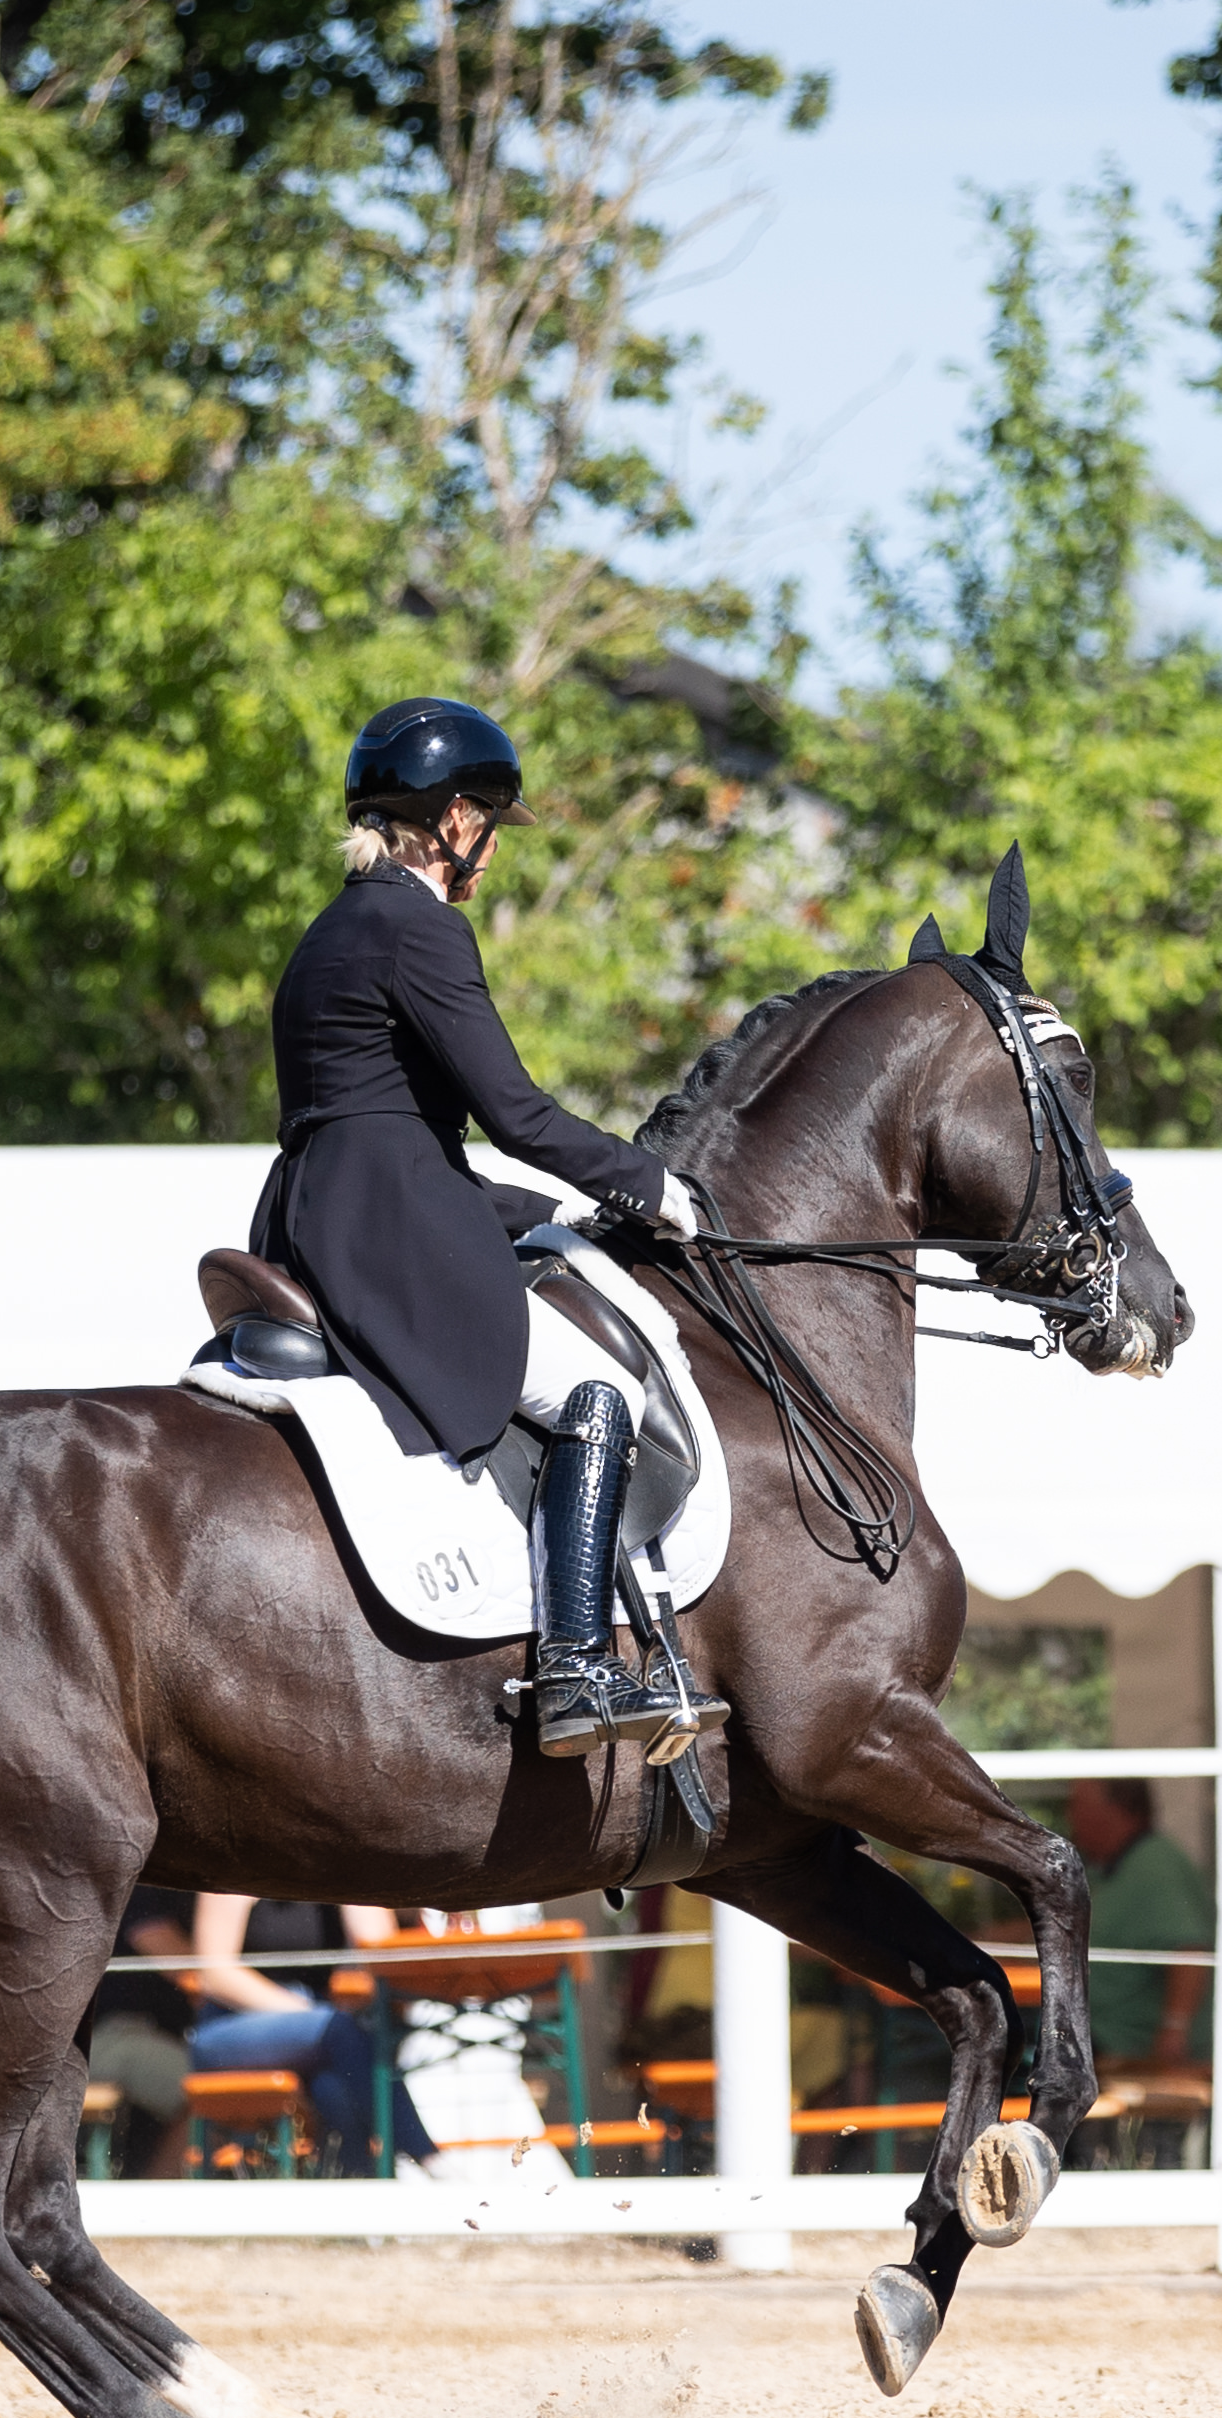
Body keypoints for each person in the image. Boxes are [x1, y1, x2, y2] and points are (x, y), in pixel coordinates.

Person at [249, 697, 714, 1759]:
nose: (493, 849)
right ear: (454, 819)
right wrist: (650, 1185)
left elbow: (385, 1130)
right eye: (491, 823)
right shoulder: (421, 926)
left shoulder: (326, 933)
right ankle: (575, 1665)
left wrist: (555, 1212)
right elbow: (517, 1114)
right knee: (598, 1393)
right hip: (393, 1234)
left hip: (317, 1215)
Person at [178, 1893, 439, 2178]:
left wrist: (353, 1885)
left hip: (319, 2031)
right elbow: (214, 1975)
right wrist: (303, 2012)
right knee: (342, 2031)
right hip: (228, 2031)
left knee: (332, 2088)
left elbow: (381, 1957)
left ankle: (350, 2188)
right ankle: (426, 2156)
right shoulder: (237, 1875)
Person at [1064, 1776, 1213, 2071]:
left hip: (1127, 2052)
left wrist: (1174, 2033)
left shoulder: (1157, 1867)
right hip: (1095, 2042)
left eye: (1077, 1805)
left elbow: (1190, 1950)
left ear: (1115, 1809)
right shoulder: (1109, 1869)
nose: (1070, 1816)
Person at [82, 1887, 203, 2178]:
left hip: (133, 2036)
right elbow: (162, 1945)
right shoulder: (140, 1882)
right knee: (211, 2092)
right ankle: (158, 2201)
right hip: (107, 2036)